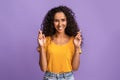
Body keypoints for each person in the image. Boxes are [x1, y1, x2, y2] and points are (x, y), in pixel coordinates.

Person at [37, 5, 83, 80]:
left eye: (63, 20)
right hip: (49, 77)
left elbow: (75, 68)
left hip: (68, 77)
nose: (60, 24)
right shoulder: (46, 40)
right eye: (56, 21)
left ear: (67, 21)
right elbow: (43, 68)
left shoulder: (74, 41)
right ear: (52, 22)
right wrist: (41, 46)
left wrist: (77, 47)